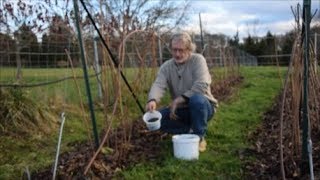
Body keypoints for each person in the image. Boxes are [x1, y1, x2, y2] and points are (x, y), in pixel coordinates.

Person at [146, 32, 218, 152]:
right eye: (174, 50)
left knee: (197, 100)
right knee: (158, 119)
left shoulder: (198, 60)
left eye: (181, 50)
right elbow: (159, 84)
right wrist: (152, 99)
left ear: (189, 49)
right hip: (181, 109)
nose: (177, 54)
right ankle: (190, 131)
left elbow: (201, 85)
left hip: (203, 106)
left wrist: (179, 99)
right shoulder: (166, 66)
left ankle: (199, 137)